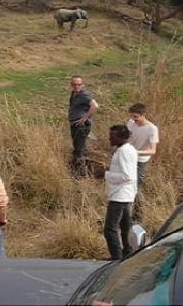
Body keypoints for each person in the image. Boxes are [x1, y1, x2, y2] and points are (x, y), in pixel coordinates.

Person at [103, 124, 138, 261]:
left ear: (122, 137)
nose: (109, 138)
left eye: (112, 136)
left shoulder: (124, 151)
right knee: (125, 227)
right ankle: (127, 254)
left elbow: (127, 176)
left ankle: (116, 258)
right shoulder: (125, 149)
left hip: (120, 195)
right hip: (124, 194)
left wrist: (106, 174)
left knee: (110, 229)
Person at [126, 103, 159, 222]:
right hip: (129, 158)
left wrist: (136, 152)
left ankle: (139, 214)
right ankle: (128, 213)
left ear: (143, 115)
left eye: (136, 117)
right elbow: (126, 137)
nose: (134, 120)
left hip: (141, 161)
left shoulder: (152, 129)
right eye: (132, 117)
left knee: (136, 187)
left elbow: (152, 150)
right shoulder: (131, 123)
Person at [68, 75, 99, 176]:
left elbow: (95, 105)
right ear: (71, 85)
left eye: (79, 84)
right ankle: (85, 170)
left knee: (79, 150)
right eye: (74, 84)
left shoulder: (83, 94)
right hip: (75, 125)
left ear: (83, 84)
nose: (76, 86)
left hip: (81, 126)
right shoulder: (74, 93)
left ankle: (79, 174)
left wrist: (85, 118)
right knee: (81, 148)